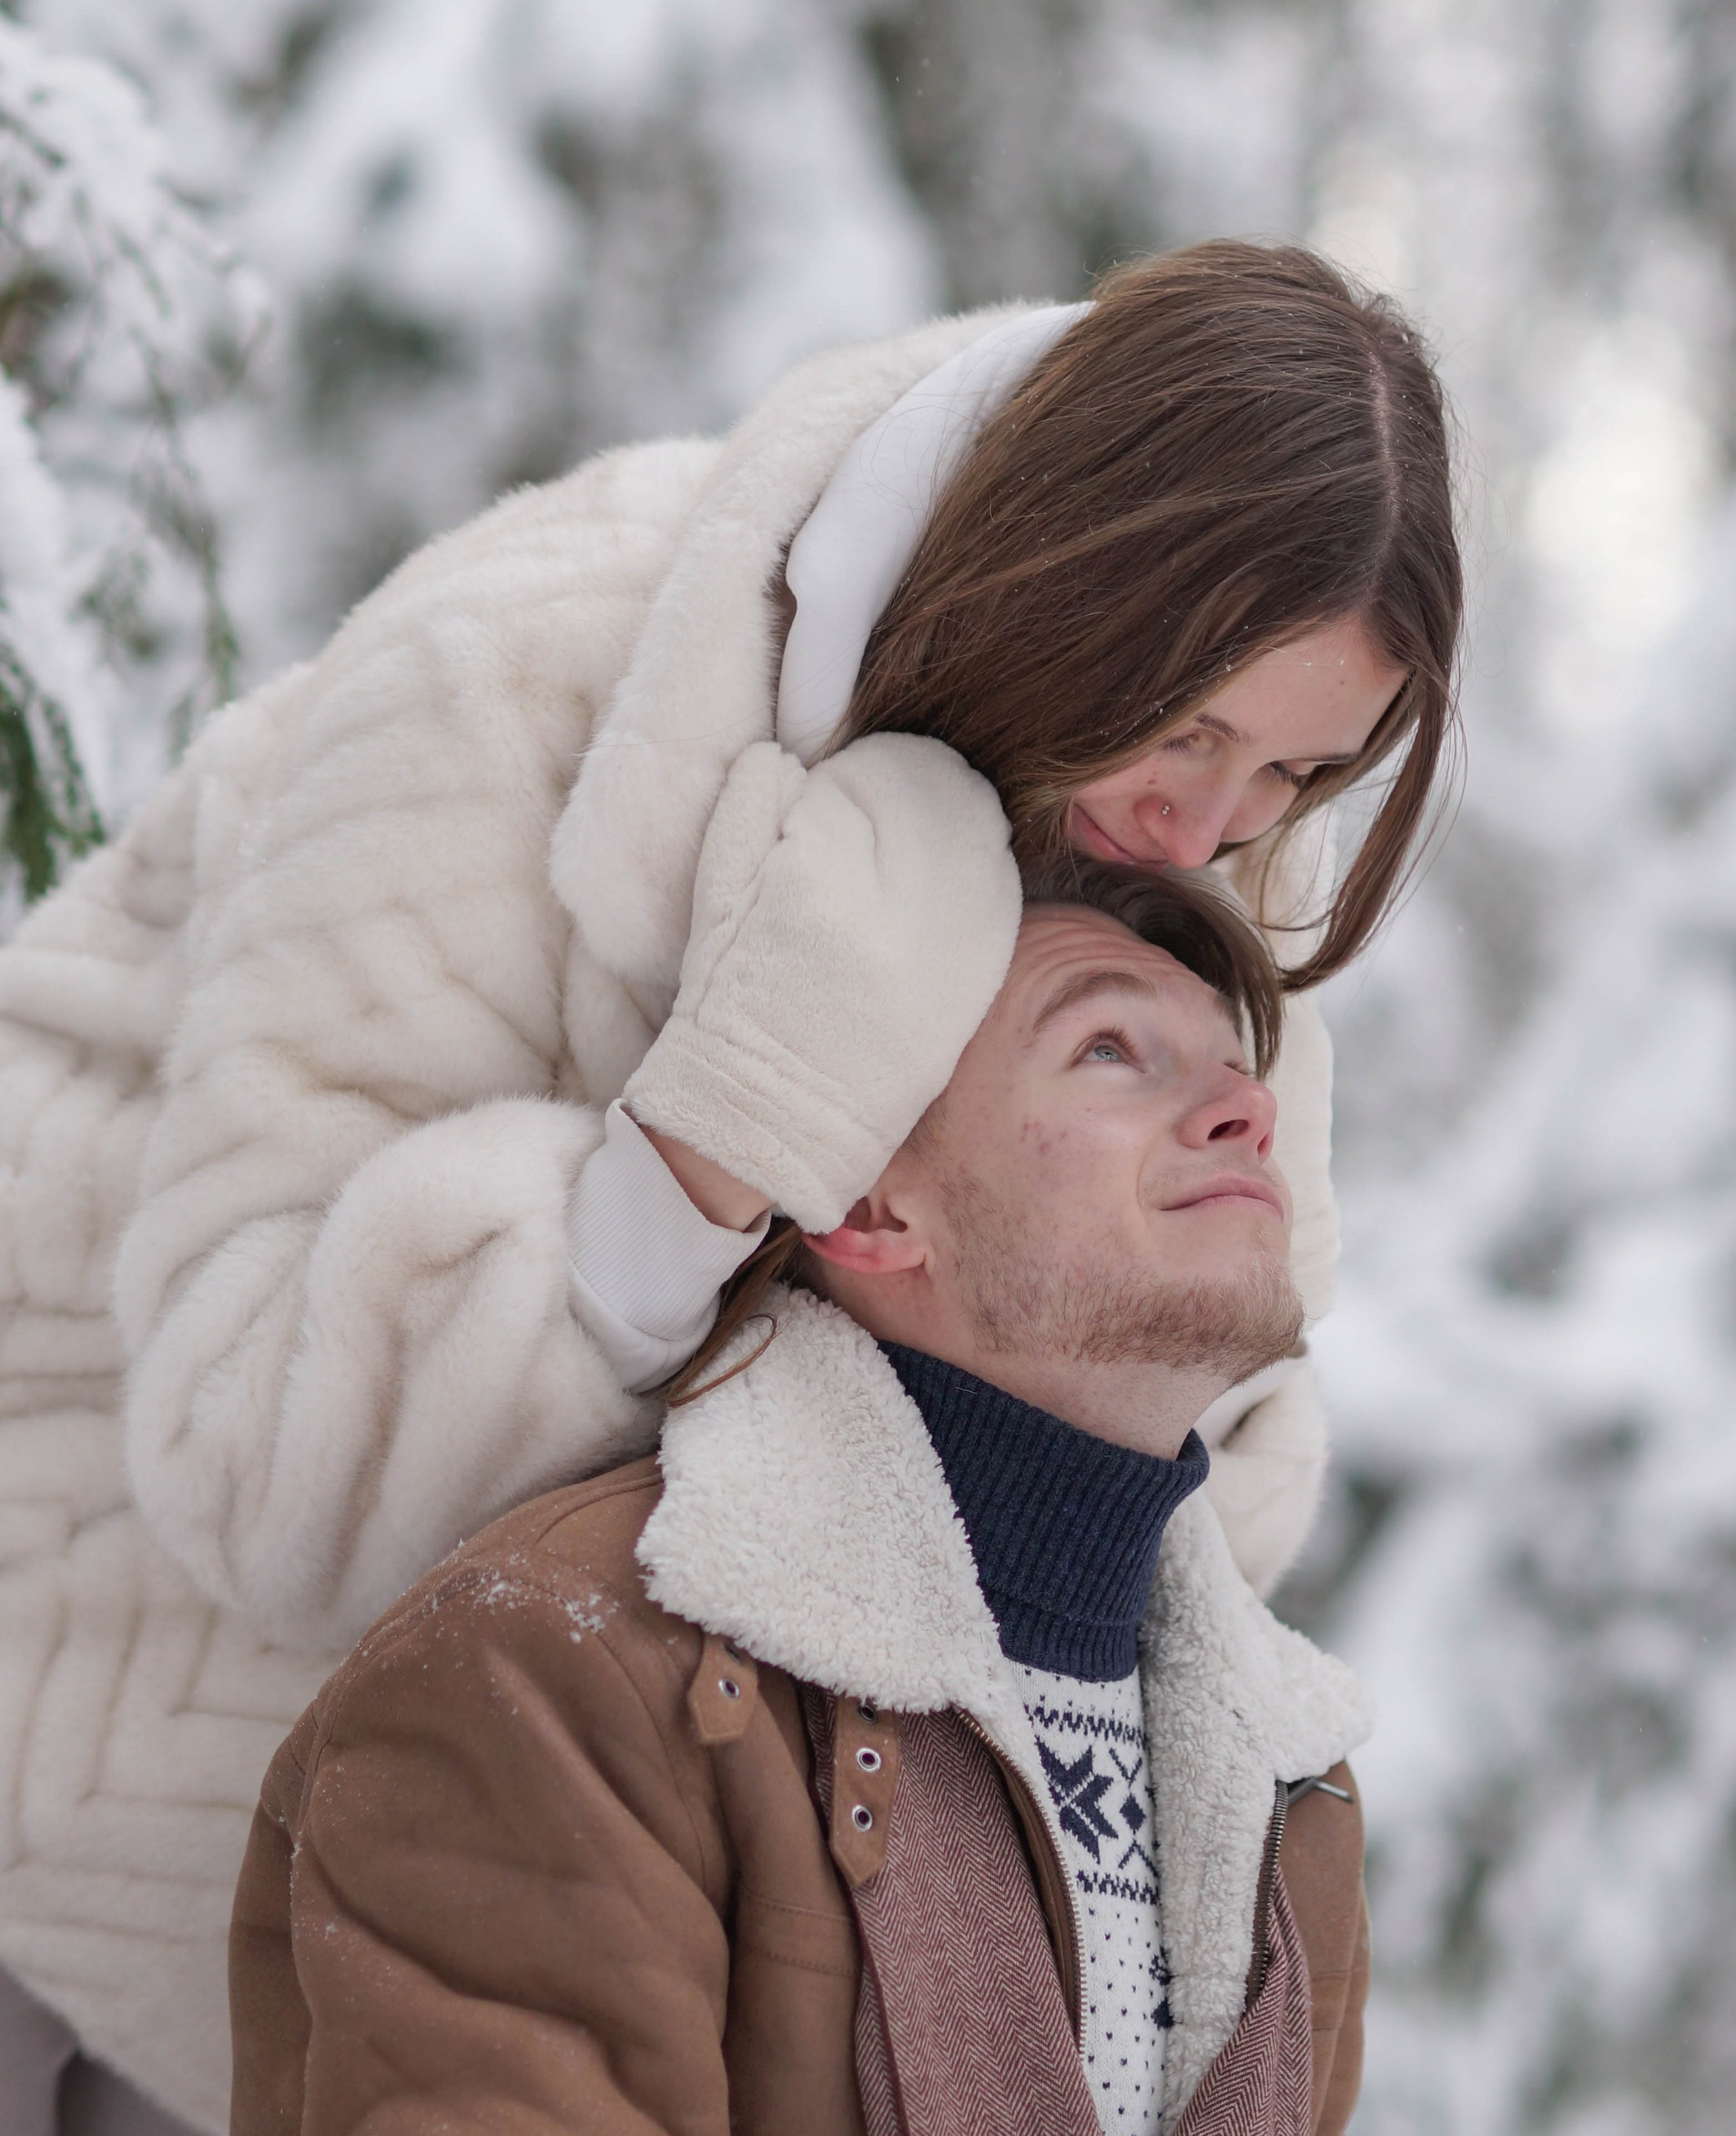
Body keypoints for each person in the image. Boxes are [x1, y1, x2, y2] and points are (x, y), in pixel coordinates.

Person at [0, 242, 1454, 2129]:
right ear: (1066, 578)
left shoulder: (1159, 821)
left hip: (603, 1892)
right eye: (1185, 730)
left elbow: (1131, 1503)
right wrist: (719, 1141)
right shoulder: (514, 673)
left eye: (1300, 771)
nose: (1206, 828)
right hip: (89, 1731)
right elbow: (263, 1462)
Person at [229, 861, 1372, 2136]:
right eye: (1110, 1048)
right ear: (873, 1204)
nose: (1245, 1110)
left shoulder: (1294, 1792)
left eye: (1233, 1065)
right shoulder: (560, 1673)